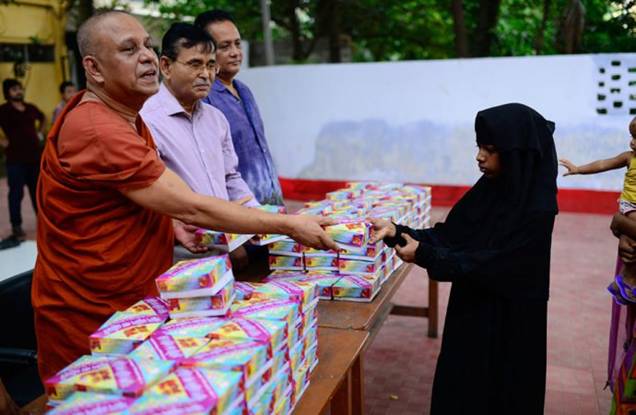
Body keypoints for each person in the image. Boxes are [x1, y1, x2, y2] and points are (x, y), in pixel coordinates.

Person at [33, 10, 336, 382]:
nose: (145, 56)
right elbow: (191, 203)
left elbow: (145, 196)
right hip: (92, 312)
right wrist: (288, 225)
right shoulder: (98, 128)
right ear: (94, 69)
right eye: (129, 50)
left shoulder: (130, 117)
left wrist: (169, 219)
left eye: (146, 44)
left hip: (139, 298)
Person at [371, 103, 558, 414]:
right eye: (479, 146)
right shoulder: (489, 190)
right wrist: (396, 231)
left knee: (501, 396)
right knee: (461, 390)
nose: (479, 156)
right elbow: (451, 236)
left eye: (490, 148)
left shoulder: (537, 210)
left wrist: (426, 255)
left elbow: (493, 265)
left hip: (510, 326)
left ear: (515, 154)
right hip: (471, 315)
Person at [140, 23, 257, 266]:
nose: (205, 74)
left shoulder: (216, 119)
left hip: (227, 248)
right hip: (181, 257)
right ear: (166, 66)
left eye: (211, 65)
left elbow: (230, 178)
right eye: (195, 64)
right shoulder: (146, 121)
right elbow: (148, 194)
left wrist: (257, 216)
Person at [195, 10, 284, 206]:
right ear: (206, 51)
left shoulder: (244, 90)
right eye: (225, 46)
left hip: (272, 206)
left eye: (237, 43)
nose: (235, 52)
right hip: (240, 213)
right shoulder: (203, 99)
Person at [560, 117, 636, 301]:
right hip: (630, 206)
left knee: (630, 242)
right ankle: (627, 283)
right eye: (632, 137)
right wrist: (578, 169)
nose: (632, 142)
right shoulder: (629, 157)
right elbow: (603, 164)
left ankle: (624, 283)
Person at [0, 79, 46, 242]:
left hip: (34, 158)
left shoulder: (30, 108)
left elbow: (43, 118)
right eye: (14, 89)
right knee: (16, 194)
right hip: (15, 161)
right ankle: (16, 226)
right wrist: (2, 141)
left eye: (19, 88)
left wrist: (40, 133)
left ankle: (44, 223)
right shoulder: (3, 110)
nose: (18, 91)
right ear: (7, 92)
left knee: (38, 193)